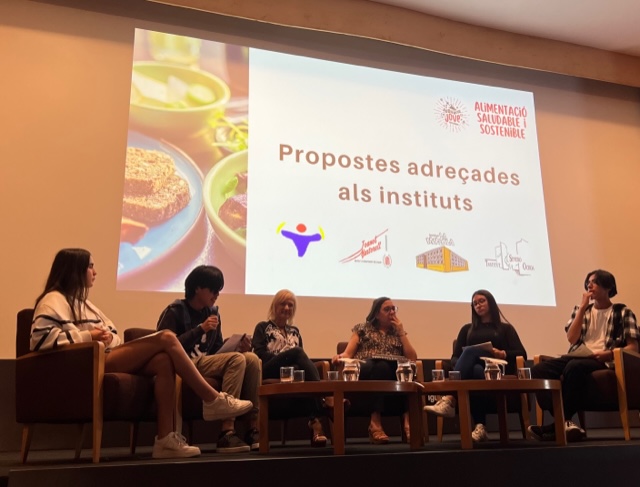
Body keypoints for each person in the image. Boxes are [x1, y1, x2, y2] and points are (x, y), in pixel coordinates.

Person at [30, 248, 253, 459]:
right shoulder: (53, 300)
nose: (95, 272)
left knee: (163, 360)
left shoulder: (85, 304)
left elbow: (114, 335)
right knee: (166, 337)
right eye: (90, 267)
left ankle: (165, 441)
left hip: (104, 354)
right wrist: (90, 336)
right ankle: (212, 399)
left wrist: (106, 337)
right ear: (74, 270)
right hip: (87, 361)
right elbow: (40, 340)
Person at [157, 265, 261, 453]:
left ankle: (252, 428)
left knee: (252, 359)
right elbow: (165, 345)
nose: (217, 295)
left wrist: (236, 346)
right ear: (198, 288)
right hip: (185, 364)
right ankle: (227, 431)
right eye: (213, 289)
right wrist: (200, 329)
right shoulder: (175, 311)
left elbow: (216, 349)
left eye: (219, 290)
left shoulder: (212, 313)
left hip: (206, 362)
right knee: (237, 360)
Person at [529, 269, 639, 442]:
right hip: (578, 355)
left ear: (608, 287)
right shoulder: (581, 311)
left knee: (574, 367)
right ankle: (564, 422)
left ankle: (558, 425)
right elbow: (572, 339)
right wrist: (582, 308)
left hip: (604, 359)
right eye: (588, 282)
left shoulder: (623, 312)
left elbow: (633, 347)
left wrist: (609, 354)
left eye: (594, 282)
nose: (589, 285)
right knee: (538, 370)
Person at [423, 289, 527, 442]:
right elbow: (455, 358)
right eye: (475, 303)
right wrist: (461, 364)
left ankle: (450, 398)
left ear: (491, 302)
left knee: (470, 352)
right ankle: (480, 427)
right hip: (477, 373)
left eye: (481, 301)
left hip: (496, 372)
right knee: (475, 370)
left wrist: (502, 353)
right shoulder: (467, 329)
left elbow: (522, 353)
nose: (478, 305)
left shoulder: (505, 329)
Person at [331, 296, 418, 444]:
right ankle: (378, 423)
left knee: (401, 372)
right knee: (380, 367)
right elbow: (348, 353)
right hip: (366, 368)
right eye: (387, 309)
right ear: (377, 314)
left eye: (393, 309)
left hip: (392, 370)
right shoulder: (362, 329)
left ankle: (394, 423)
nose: (392, 312)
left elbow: (412, 358)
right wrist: (340, 357)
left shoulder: (398, 332)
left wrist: (401, 332)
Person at [251, 289, 328, 447]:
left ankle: (315, 423)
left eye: (290, 305)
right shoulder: (263, 327)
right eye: (283, 304)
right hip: (269, 369)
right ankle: (325, 398)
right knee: (297, 353)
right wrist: (284, 358)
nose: (287, 308)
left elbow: (302, 361)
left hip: (292, 373)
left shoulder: (295, 331)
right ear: (274, 306)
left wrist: (291, 363)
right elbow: (259, 355)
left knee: (298, 363)